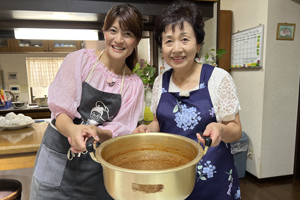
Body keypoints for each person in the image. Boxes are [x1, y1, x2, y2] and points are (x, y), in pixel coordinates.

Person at [30, 3, 144, 200]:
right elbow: (61, 112)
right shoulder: (79, 60)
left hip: (94, 170)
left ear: (136, 40)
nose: (118, 40)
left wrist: (98, 133)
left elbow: (119, 130)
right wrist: (73, 131)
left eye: (127, 34)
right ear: (104, 32)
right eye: (113, 30)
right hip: (56, 158)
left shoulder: (134, 86)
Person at [133, 1, 242, 199]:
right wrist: (148, 128)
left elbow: (235, 130)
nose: (176, 49)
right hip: (171, 176)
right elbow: (159, 121)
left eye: (184, 39)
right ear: (161, 46)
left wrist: (221, 129)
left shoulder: (218, 78)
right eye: (168, 41)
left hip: (212, 180)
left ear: (198, 44)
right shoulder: (160, 81)